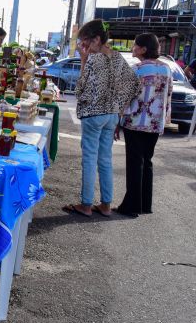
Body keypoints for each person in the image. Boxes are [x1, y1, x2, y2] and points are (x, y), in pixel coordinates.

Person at [63, 19, 139, 218]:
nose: (84, 47)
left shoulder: (94, 60)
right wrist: (119, 106)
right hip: (112, 115)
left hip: (94, 115)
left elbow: (80, 91)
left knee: (89, 159)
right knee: (105, 159)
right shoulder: (117, 58)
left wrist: (83, 61)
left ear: (97, 39)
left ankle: (86, 204)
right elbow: (133, 84)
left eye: (86, 42)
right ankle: (106, 204)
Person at [115, 33, 172, 218]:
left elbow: (124, 97)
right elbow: (168, 95)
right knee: (147, 162)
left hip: (136, 122)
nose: (133, 48)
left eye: (135, 46)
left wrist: (118, 121)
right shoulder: (166, 69)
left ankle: (131, 206)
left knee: (134, 164)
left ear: (143, 49)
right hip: (155, 122)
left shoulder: (137, 69)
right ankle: (145, 204)